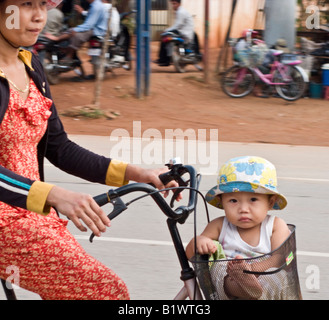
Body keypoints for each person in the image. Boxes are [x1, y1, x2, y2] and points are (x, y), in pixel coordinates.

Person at [0, 0, 180, 300]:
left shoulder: (31, 66)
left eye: (44, 4)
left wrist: (138, 174)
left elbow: (61, 149)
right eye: (26, 4)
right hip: (8, 221)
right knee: (104, 291)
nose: (39, 16)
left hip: (35, 215)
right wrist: (54, 195)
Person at [186, 156, 291, 300]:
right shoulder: (218, 226)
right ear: (222, 202)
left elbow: (279, 258)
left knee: (278, 274)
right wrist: (199, 242)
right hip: (230, 288)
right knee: (219, 270)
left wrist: (251, 271)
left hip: (265, 289)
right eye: (233, 201)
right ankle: (243, 284)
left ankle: (250, 285)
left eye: (253, 200)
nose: (243, 209)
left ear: (270, 202)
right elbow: (191, 254)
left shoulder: (275, 225)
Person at [154, 0, 194, 66]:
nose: (173, 6)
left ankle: (164, 60)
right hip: (184, 32)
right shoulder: (180, 11)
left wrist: (166, 30)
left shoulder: (180, 12)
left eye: (174, 4)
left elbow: (177, 25)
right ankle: (164, 59)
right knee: (166, 37)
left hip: (183, 33)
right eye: (172, 4)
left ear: (179, 4)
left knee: (164, 38)